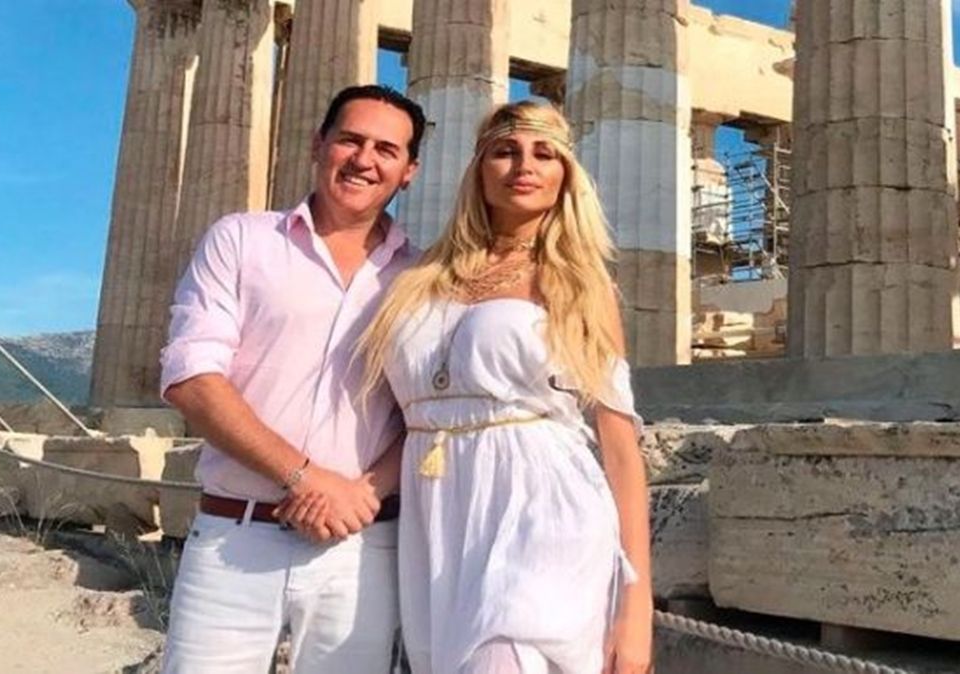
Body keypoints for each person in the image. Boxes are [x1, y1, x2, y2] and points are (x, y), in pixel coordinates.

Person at [358, 101, 653, 674]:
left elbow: (620, 445)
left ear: (566, 174)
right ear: (479, 168)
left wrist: (635, 603)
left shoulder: (579, 282)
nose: (524, 166)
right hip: (438, 515)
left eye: (545, 154)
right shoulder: (415, 279)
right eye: (505, 151)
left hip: (541, 505)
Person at [158, 84, 425, 673]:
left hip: (363, 544)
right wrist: (304, 478)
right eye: (350, 140)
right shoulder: (242, 239)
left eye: (386, 149)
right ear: (318, 144)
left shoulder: (422, 276)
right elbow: (191, 376)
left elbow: (432, 409)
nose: (364, 159)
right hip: (235, 538)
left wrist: (363, 492)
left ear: (409, 171)